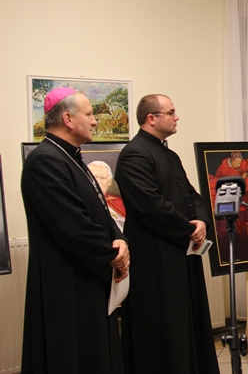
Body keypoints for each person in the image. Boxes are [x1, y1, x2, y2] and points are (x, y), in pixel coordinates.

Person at [20, 87, 129, 374]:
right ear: (68, 119)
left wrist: (119, 239)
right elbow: (72, 226)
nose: (95, 121)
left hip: (88, 274)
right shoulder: (45, 161)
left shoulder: (73, 158)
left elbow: (101, 210)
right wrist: (112, 256)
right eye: (90, 114)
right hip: (66, 283)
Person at [115, 94, 219, 374]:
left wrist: (202, 221)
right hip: (155, 256)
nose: (177, 117)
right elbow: (150, 205)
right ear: (152, 118)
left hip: (181, 250)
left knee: (187, 318)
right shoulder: (135, 154)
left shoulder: (170, 154)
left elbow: (192, 195)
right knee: (164, 323)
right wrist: (189, 229)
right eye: (171, 112)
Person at [87, 160, 126, 231]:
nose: (98, 182)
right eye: (94, 177)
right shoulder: (78, 200)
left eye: (102, 178)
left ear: (109, 181)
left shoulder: (120, 202)